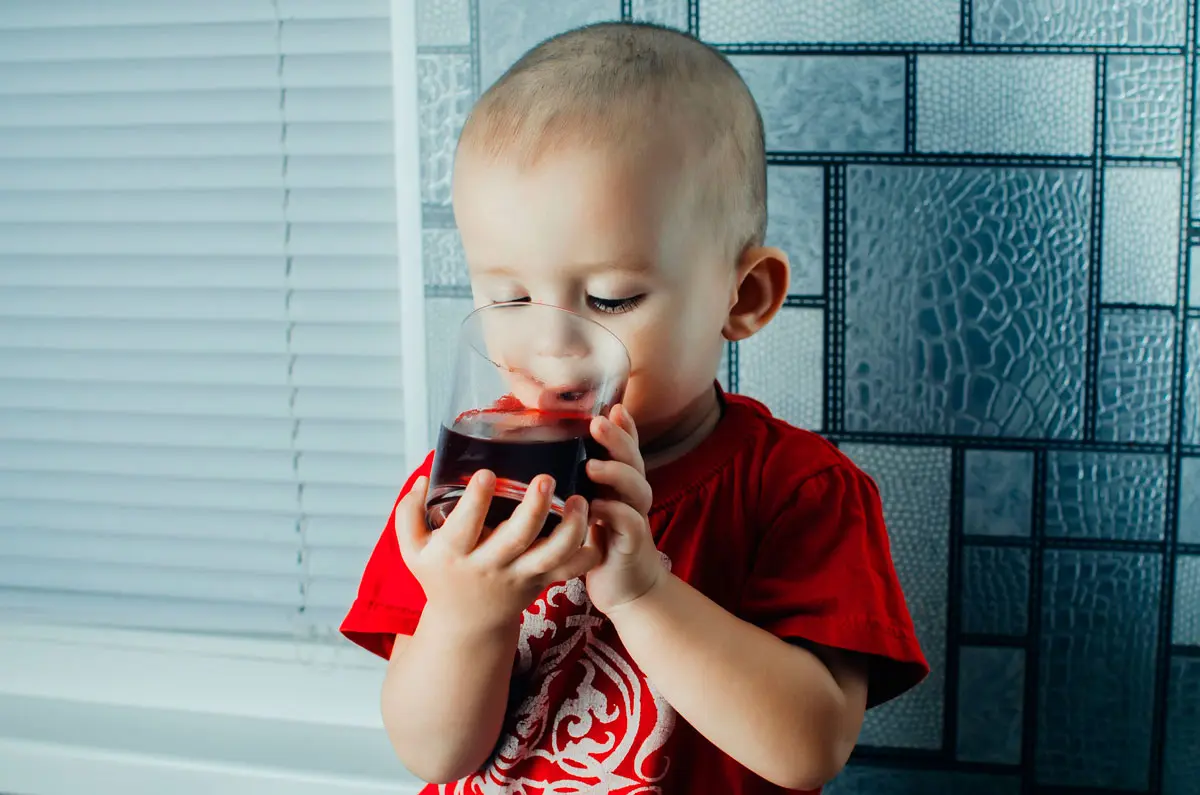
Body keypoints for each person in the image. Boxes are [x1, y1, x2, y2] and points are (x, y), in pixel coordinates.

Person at [341, 21, 928, 794]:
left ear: (742, 296)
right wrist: (464, 614)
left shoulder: (800, 492)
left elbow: (809, 747)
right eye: (510, 296)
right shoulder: (465, 487)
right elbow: (432, 753)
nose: (553, 345)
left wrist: (643, 590)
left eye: (610, 298)